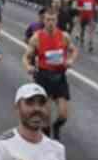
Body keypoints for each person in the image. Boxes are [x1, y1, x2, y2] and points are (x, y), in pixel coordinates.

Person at [23, 10, 77, 138]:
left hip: (59, 76)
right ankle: (47, 140)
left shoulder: (64, 36)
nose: (50, 22)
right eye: (48, 20)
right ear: (44, 20)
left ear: (57, 21)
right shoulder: (37, 37)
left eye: (53, 20)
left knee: (63, 114)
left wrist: (70, 60)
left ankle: (57, 126)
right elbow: (26, 56)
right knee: (45, 114)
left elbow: (73, 50)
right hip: (43, 77)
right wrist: (28, 66)